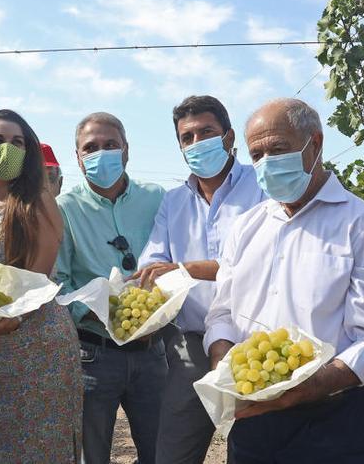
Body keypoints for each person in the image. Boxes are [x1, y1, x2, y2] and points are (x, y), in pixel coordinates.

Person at [203, 98, 364, 463]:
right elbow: (221, 312)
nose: (266, 163)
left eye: (278, 149)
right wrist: (223, 365)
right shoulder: (246, 227)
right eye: (257, 155)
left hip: (333, 419)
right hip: (253, 418)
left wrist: (312, 385)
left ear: (314, 144)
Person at [135, 96, 265, 464]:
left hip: (253, 340)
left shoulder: (261, 187)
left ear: (228, 136)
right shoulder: (174, 201)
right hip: (189, 347)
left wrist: (187, 269)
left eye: (206, 132)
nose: (196, 143)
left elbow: (262, 262)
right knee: (174, 452)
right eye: (186, 137)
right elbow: (154, 261)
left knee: (252, 445)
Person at [0, 109, 82, 463]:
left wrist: (14, 319)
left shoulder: (37, 201)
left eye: (17, 142)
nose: (7, 148)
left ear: (29, 151)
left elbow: (37, 281)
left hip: (36, 347)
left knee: (39, 449)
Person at [55, 112, 166, 464]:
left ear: (126, 150)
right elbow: (57, 282)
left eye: (110, 145)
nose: (101, 153)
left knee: (160, 452)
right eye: (91, 148)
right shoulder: (65, 209)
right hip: (93, 354)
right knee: (93, 454)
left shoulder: (156, 198)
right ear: (77, 157)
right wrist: (91, 308)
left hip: (152, 352)